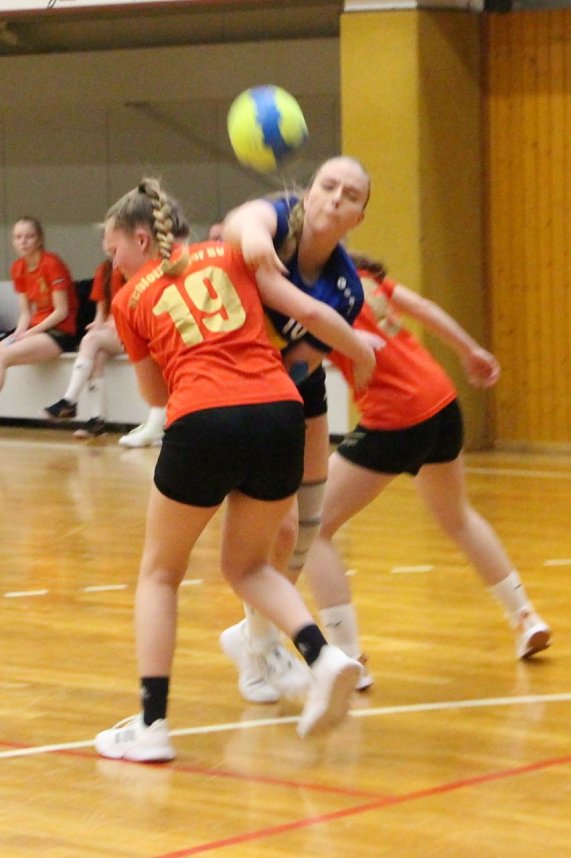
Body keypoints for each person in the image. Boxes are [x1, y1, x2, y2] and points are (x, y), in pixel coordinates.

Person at [94, 177, 378, 762]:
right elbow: (302, 309)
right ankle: (324, 658)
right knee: (247, 566)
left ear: (142, 238)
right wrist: (359, 349)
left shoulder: (129, 300)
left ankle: (151, 727)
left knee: (159, 575)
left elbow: (155, 394)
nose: (110, 261)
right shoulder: (230, 255)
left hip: (204, 416)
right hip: (281, 414)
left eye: (113, 248)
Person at [298, 253, 552, 692]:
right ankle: (525, 616)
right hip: (441, 402)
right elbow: (424, 309)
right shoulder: (363, 278)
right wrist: (469, 349)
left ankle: (350, 656)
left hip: (396, 417)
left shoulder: (309, 299)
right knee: (457, 516)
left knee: (313, 527)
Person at [216, 156, 377, 704]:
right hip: (233, 389)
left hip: (288, 388)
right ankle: (259, 646)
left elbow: (303, 361)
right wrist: (254, 236)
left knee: (305, 529)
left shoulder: (347, 292)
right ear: (307, 194)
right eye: (327, 186)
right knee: (276, 530)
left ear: (359, 217)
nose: (335, 198)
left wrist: (337, 344)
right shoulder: (279, 222)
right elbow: (241, 219)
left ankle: (255, 638)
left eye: (350, 195)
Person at [43, 257, 125, 438]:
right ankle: (97, 421)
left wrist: (111, 325)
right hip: (112, 333)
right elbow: (101, 310)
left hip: (134, 333)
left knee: (90, 341)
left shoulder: (138, 267)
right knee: (97, 353)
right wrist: (98, 324)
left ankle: (69, 401)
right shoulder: (104, 270)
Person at [0, 217, 77, 390]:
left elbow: (61, 311)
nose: (23, 242)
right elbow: (26, 313)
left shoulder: (51, 263)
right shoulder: (17, 267)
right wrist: (18, 334)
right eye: (18, 237)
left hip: (59, 331)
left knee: (2, 355)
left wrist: (30, 333)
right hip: (34, 329)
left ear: (40, 239)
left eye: (29, 237)